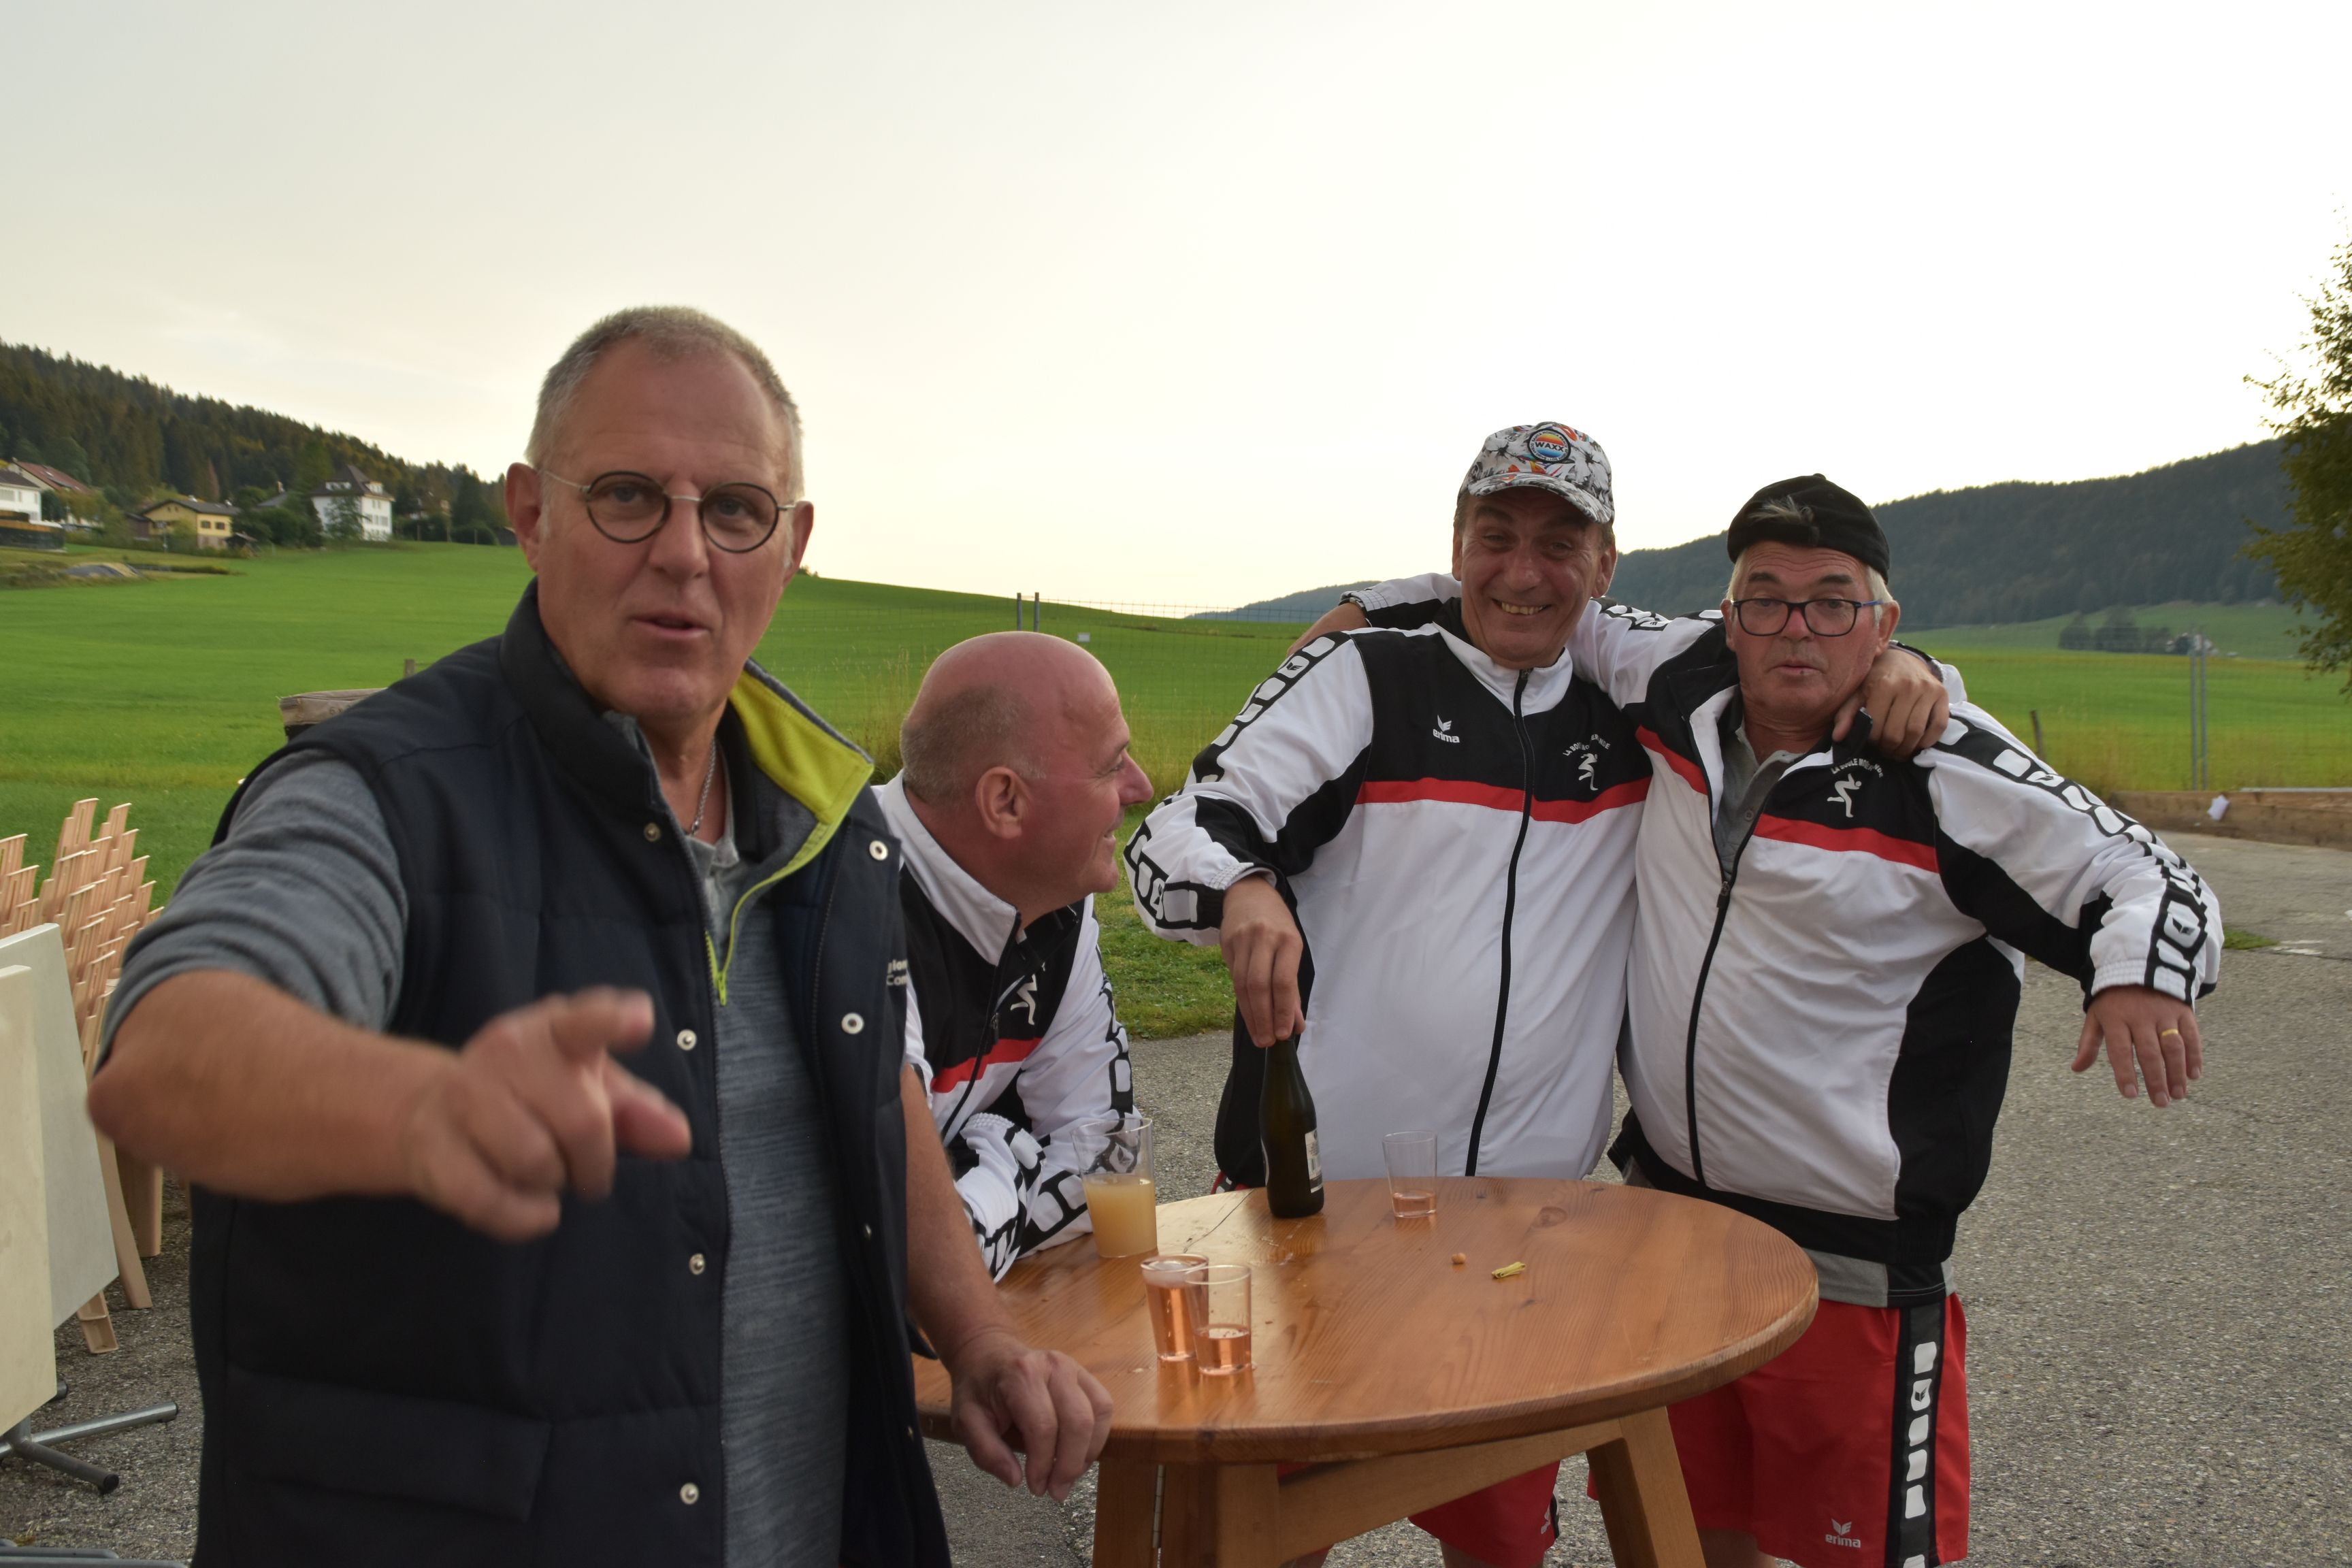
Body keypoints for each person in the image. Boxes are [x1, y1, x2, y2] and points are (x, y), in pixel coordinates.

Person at [87, 306, 1111, 1568]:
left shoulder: (831, 820)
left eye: (734, 509)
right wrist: (419, 1107)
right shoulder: (388, 794)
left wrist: (979, 1336)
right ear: (531, 513)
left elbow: (873, 1094)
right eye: (628, 496)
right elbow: (166, 1048)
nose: (684, 553)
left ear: (791, 546)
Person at [1335, 475, 2223, 1568]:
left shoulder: (1943, 767)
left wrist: (2137, 977)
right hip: (1669, 1233)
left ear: (1883, 621)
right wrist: (1370, 610)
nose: (1795, 627)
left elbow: (2145, 872)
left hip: (1849, 1267)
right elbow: (1535, 593)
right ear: (1730, 615)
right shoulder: (1677, 676)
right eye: (1766, 600)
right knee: (1680, 1541)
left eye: (1833, 603)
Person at [1124, 425, 1951, 1568]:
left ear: (1605, 566)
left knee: (1502, 1545)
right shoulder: (1365, 677)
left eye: (1560, 544)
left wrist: (1915, 666)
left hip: (1520, 1240)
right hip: (1309, 1214)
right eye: (1496, 536)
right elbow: (1178, 831)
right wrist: (1242, 889)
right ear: (1456, 545)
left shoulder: (1641, 703)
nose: (1524, 571)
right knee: (1248, 1543)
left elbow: (1796, 643)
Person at [877, 632, 1155, 1277]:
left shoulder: (1054, 902)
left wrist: (966, 1195)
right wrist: (1007, 1162)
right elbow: (892, 1250)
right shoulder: (852, 904)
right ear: (1005, 801)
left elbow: (1110, 1166)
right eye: (1112, 765)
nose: (1140, 787)